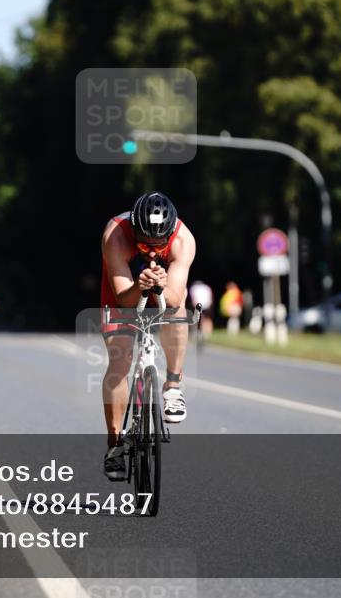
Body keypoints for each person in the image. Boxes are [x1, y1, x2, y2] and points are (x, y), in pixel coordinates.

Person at [99, 191, 196, 480]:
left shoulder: (183, 240)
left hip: (166, 289)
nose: (153, 253)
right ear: (134, 232)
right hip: (124, 291)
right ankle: (115, 445)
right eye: (144, 244)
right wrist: (139, 285)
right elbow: (123, 298)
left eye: (159, 246)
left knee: (177, 311)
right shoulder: (115, 235)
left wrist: (162, 287)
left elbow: (175, 298)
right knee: (120, 361)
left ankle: (173, 387)